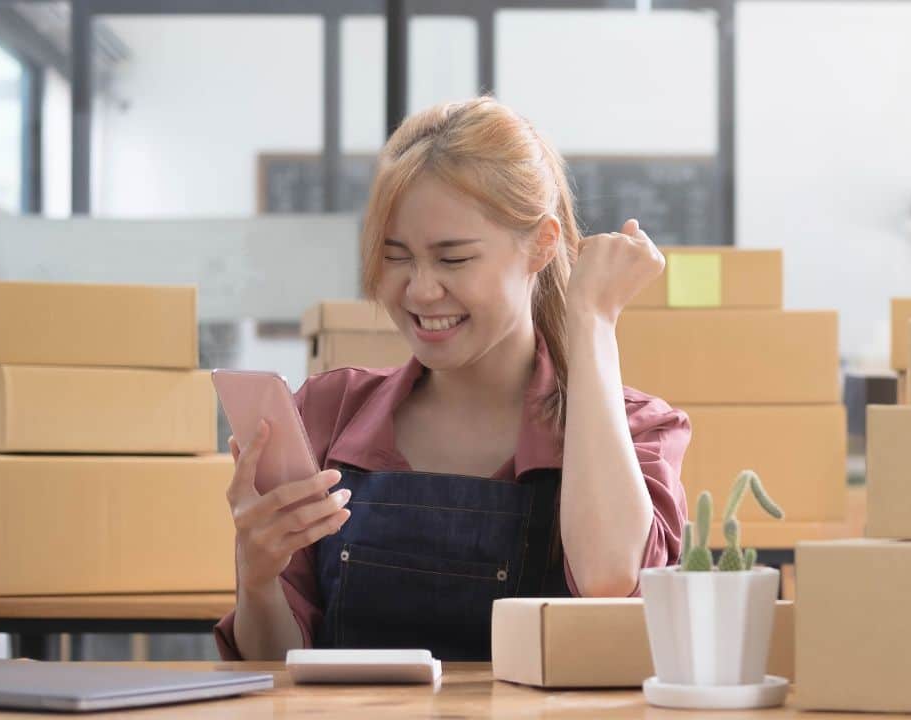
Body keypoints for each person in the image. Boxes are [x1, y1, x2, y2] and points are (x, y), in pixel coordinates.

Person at [214, 96, 690, 661]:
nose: (419, 290)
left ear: (541, 245)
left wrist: (592, 320)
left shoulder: (638, 432)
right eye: (396, 257)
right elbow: (276, 675)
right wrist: (259, 578)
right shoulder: (324, 413)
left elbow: (610, 580)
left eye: (453, 259)